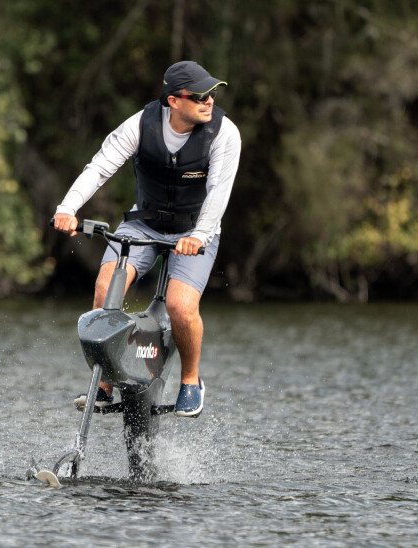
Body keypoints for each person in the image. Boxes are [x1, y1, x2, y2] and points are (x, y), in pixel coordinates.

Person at [52, 60, 241, 418]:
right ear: (173, 101)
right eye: (199, 95)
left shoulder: (225, 133)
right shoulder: (140, 124)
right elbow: (101, 166)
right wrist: (68, 208)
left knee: (180, 308)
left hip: (196, 230)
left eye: (213, 93)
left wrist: (199, 235)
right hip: (144, 225)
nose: (209, 101)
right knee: (105, 290)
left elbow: (218, 191)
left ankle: (190, 382)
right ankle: (105, 386)